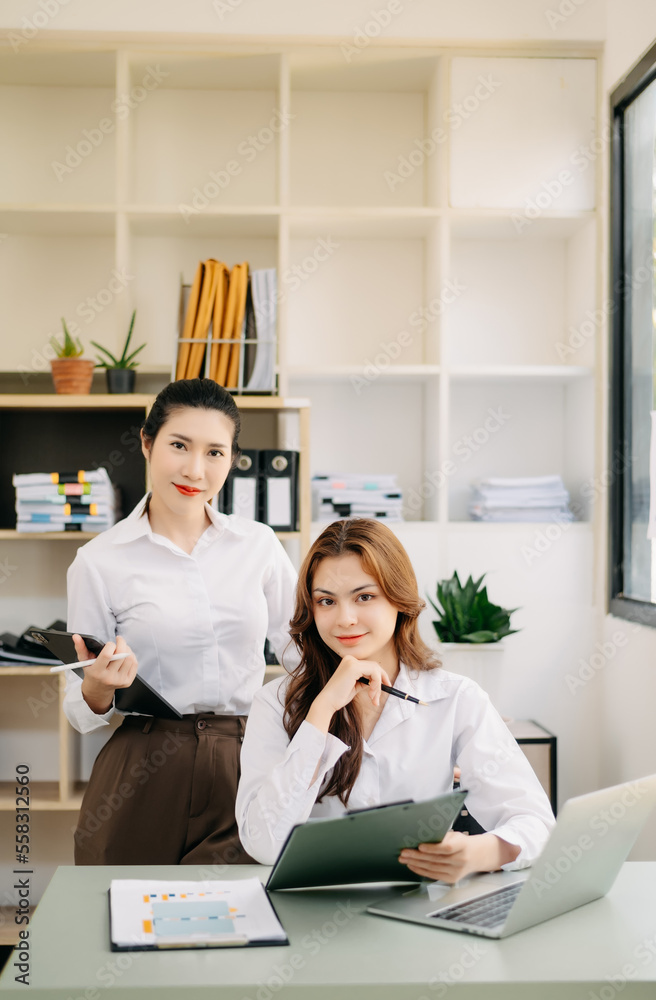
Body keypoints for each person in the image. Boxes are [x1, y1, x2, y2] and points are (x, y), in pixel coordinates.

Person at [236, 518, 555, 882]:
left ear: (399, 599)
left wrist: (479, 853)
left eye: (364, 597)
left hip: (417, 912)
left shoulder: (455, 698)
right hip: (309, 911)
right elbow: (264, 845)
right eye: (327, 601)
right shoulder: (276, 704)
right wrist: (321, 713)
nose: (345, 619)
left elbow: (536, 823)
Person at [64, 378, 297, 867]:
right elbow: (79, 711)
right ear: (147, 443)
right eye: (179, 445)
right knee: (124, 919)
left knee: (238, 924)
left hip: (246, 758)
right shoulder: (98, 561)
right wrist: (99, 687)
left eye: (215, 452)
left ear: (232, 460)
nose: (196, 469)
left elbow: (302, 654)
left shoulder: (258, 546)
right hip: (143, 765)